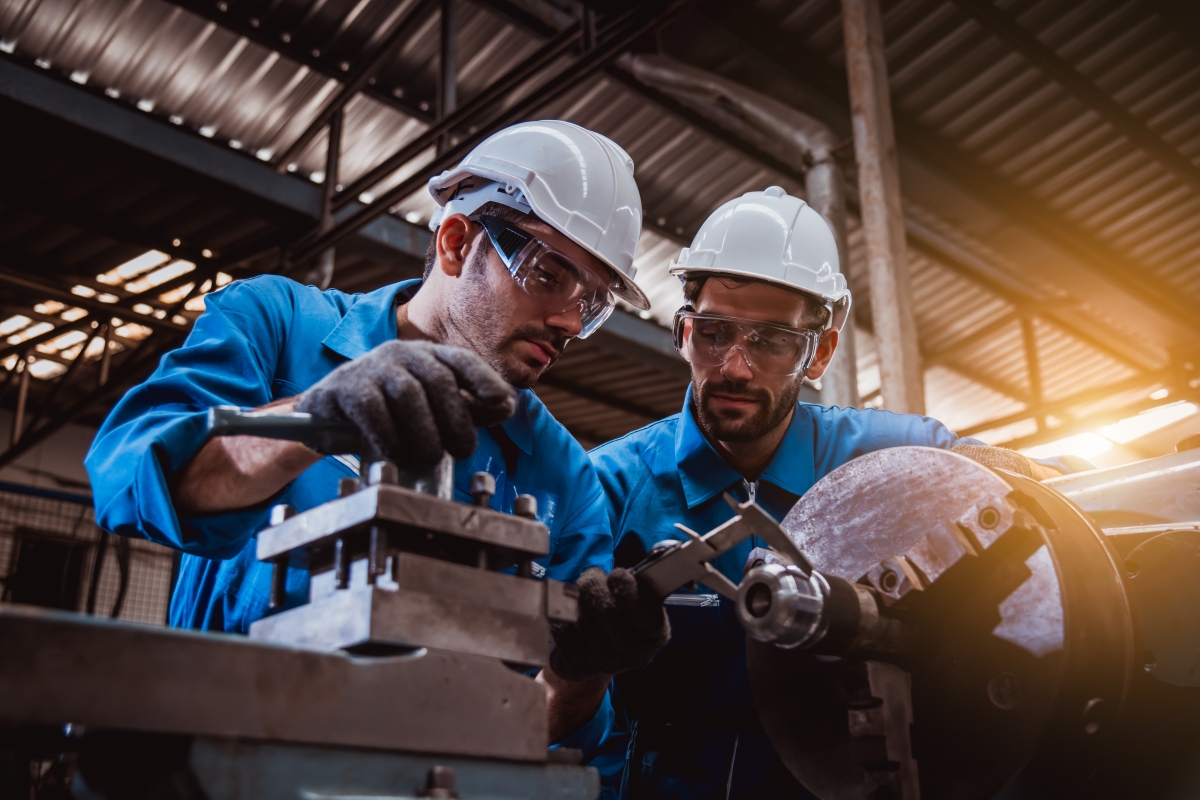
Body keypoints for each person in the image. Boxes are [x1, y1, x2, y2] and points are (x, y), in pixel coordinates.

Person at [84, 119, 666, 745]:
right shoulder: (278, 327)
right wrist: (313, 416)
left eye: (593, 302)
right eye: (549, 275)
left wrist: (585, 669)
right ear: (455, 241)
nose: (569, 322)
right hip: (209, 760)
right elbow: (128, 474)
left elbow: (545, 718)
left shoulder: (565, 479)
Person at [587, 186, 1068, 798]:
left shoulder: (890, 460)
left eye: (771, 341)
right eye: (713, 332)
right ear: (683, 333)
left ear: (820, 352)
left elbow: (1054, 489)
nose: (735, 367)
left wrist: (1008, 473)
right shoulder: (610, 486)